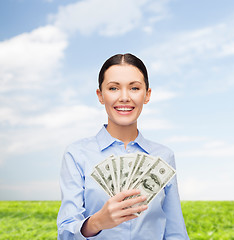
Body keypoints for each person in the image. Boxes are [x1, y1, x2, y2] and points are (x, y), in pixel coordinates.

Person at [57, 53, 189, 240]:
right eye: (113, 88)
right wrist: (97, 222)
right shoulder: (77, 154)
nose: (125, 97)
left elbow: (175, 233)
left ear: (147, 95)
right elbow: (65, 232)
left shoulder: (164, 156)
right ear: (100, 95)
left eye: (134, 88)